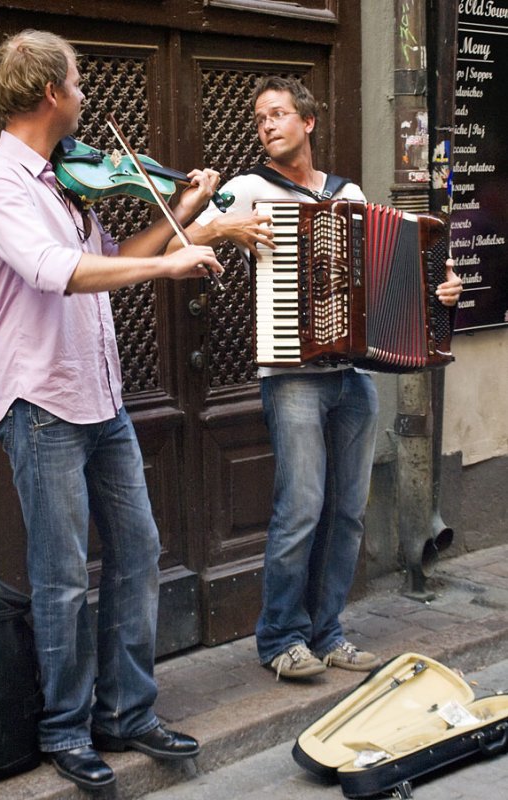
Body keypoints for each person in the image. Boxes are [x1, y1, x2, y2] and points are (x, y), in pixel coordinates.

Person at [0, 29, 223, 794]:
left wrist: (181, 210)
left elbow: (122, 259)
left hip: (99, 396)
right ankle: (66, 729)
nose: (84, 95)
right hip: (40, 401)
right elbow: (54, 273)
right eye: (78, 82)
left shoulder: (66, 183)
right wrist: (176, 257)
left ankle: (128, 711)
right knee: (61, 575)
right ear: (52, 93)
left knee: (139, 550)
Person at [180, 75, 463, 681]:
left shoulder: (349, 193)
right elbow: (184, 236)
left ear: (308, 122)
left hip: (353, 377)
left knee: (348, 511)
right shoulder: (249, 188)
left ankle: (327, 632)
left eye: (278, 114)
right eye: (260, 119)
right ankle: (279, 637)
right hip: (292, 376)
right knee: (301, 506)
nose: (267, 125)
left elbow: (392, 282)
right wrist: (225, 227)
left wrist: (437, 296)